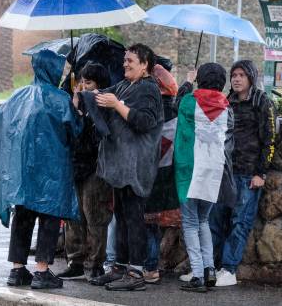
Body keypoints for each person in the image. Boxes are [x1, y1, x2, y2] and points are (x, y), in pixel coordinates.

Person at [0, 49, 82, 289]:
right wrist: (77, 108)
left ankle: (17, 270)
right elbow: (75, 132)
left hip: (22, 170)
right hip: (51, 169)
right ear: (50, 69)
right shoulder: (60, 99)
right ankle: (42, 271)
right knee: (49, 217)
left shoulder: (17, 96)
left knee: (22, 215)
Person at [91, 43, 164, 291]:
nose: (125, 64)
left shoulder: (149, 90)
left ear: (145, 65)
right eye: (125, 60)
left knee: (134, 220)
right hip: (120, 167)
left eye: (131, 61)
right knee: (121, 218)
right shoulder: (124, 85)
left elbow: (144, 122)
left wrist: (117, 105)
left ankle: (136, 273)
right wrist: (85, 94)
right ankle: (120, 268)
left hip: (136, 167)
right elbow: (103, 95)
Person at [209, 60, 276, 286]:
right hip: (224, 172)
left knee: (240, 222)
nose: (236, 79)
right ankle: (212, 267)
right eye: (234, 75)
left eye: (241, 75)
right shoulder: (226, 102)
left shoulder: (262, 102)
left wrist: (261, 173)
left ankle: (228, 270)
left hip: (248, 173)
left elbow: (270, 139)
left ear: (251, 78)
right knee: (215, 221)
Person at [174, 63, 237, 293]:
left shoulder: (189, 102)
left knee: (190, 222)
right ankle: (210, 270)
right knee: (203, 221)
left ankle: (198, 274)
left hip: (190, 170)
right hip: (214, 170)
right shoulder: (227, 107)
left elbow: (175, 105)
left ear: (201, 79)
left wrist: (188, 82)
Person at [57, 62, 113, 283]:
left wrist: (85, 113)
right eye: (81, 81)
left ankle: (97, 263)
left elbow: (100, 136)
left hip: (96, 168)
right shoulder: (75, 103)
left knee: (95, 216)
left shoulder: (104, 107)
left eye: (88, 82)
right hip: (76, 166)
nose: (82, 86)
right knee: (74, 215)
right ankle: (75, 261)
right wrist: (75, 111)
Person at [142, 64, 180, 284]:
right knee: (154, 226)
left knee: (146, 225)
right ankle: (152, 266)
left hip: (149, 174)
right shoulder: (175, 111)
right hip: (168, 175)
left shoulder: (151, 110)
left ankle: (147, 266)